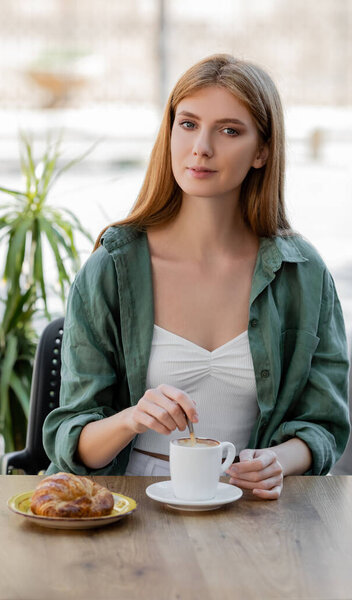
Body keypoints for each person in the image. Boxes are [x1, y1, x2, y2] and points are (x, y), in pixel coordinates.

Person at [43, 54, 350, 500]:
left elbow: (325, 425)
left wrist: (276, 461)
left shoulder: (302, 274)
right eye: (187, 124)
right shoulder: (112, 268)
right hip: (129, 507)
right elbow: (73, 439)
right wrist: (133, 417)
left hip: (251, 510)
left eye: (229, 131)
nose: (201, 147)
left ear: (263, 151)